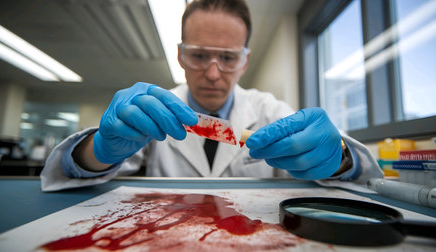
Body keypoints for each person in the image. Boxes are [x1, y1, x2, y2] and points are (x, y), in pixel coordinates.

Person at [40, 0, 382, 191]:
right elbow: (71, 175)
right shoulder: (153, 110)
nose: (214, 73)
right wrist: (97, 149)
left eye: (228, 58)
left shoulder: (267, 109)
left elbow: (361, 176)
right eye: (200, 55)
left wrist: (341, 157)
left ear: (244, 61)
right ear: (180, 55)